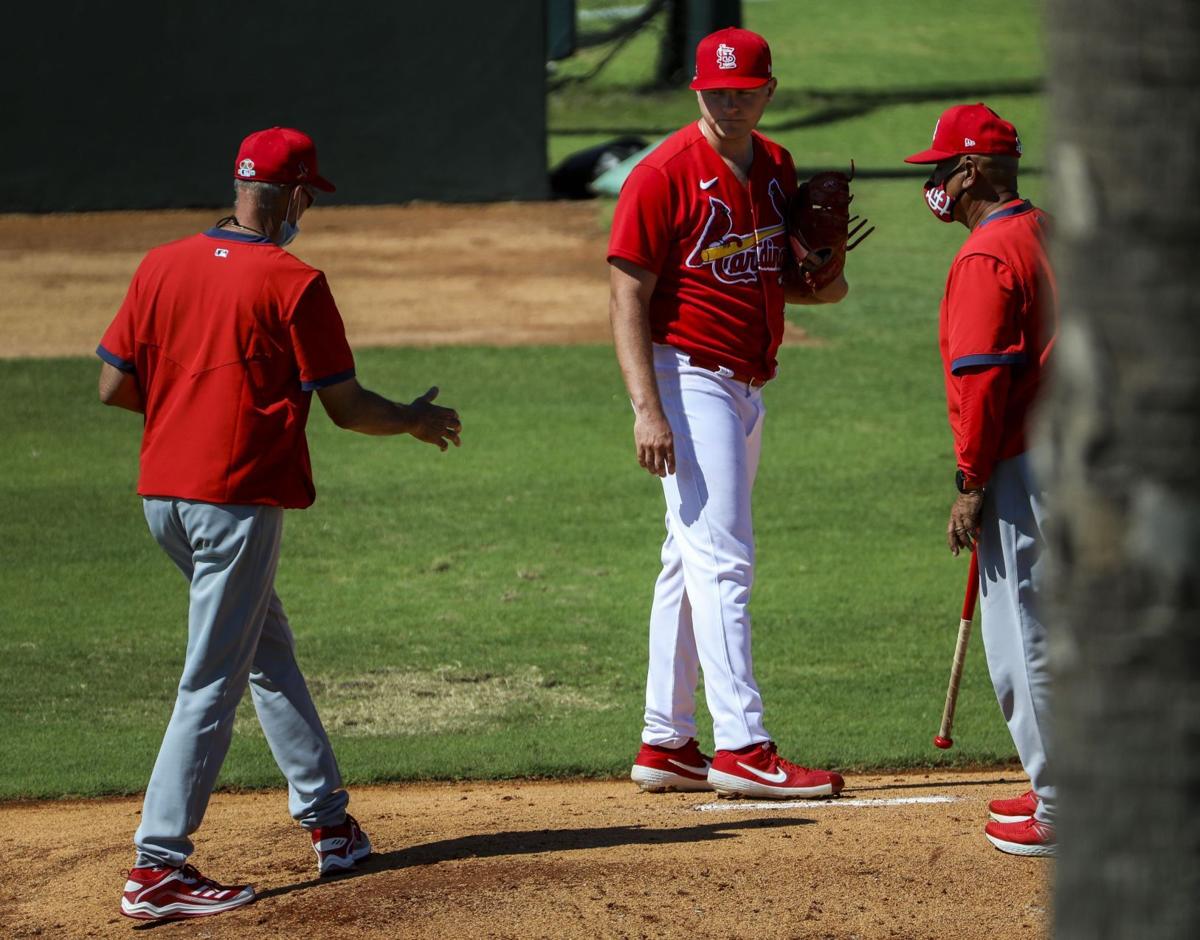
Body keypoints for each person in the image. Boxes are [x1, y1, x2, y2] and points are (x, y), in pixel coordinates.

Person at [98, 126, 463, 920]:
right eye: (310, 199)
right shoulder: (294, 282)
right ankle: (157, 866)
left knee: (264, 651)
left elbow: (111, 385)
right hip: (233, 502)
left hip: (163, 496)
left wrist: (186, 418)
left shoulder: (159, 264)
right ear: (296, 195)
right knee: (212, 678)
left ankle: (330, 823)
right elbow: (347, 406)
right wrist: (414, 421)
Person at [608, 27, 849, 800]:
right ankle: (742, 745)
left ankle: (666, 739)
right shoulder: (661, 175)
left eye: (745, 89)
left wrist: (822, 272)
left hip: (747, 380)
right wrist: (648, 410)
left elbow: (801, 286)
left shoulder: (777, 167)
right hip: (685, 374)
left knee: (689, 559)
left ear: (768, 89)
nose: (730, 101)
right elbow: (626, 298)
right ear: (697, 92)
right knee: (724, 558)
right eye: (716, 91)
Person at [904, 103, 1057, 856]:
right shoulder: (1048, 232)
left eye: (939, 169)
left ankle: (1062, 806)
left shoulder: (984, 257)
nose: (933, 183)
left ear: (969, 172)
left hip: (1027, 459)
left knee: (1021, 630)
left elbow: (983, 379)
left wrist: (971, 480)